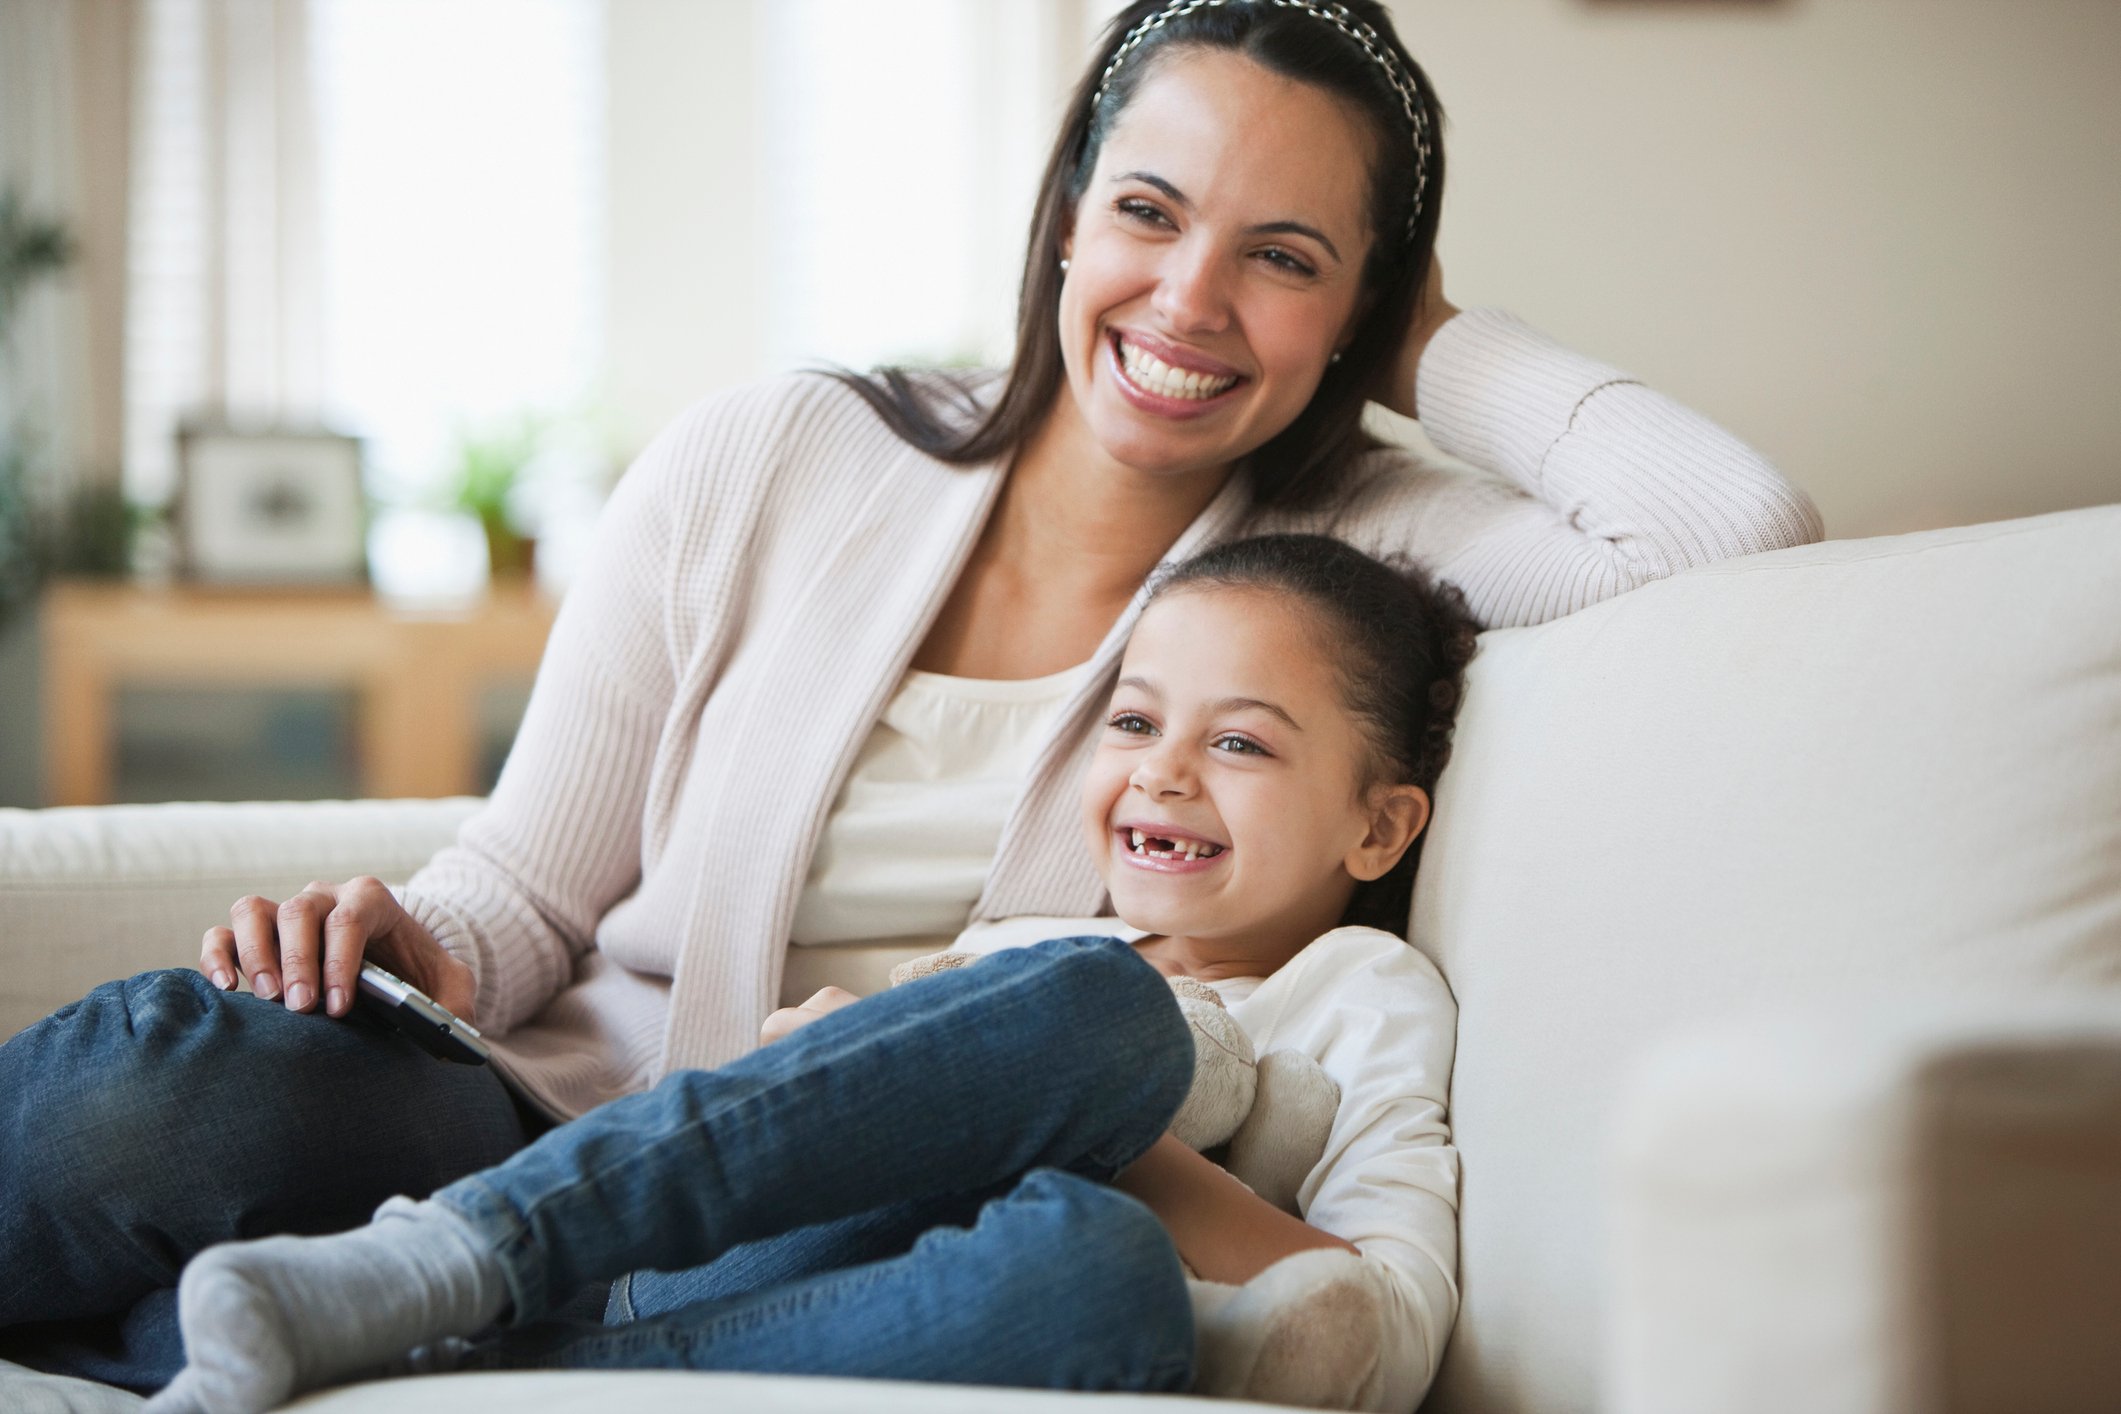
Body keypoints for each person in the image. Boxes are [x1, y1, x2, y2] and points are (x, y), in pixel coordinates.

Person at [0, 0, 1822, 1396]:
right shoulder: (778, 450)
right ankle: (367, 1302)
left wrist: (1434, 331)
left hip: (874, 1226)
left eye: (1284, 256)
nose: (1189, 300)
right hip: (547, 1123)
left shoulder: (1346, 566)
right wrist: (427, 942)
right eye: (1151, 212)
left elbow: (1728, 527)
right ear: (1064, 220)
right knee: (178, 1087)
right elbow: (528, 894)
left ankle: (321, 1338)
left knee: (1084, 1247)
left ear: (1351, 311)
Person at [147, 533, 1473, 1413]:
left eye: (1239, 742)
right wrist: (855, 1043)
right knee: (1094, 1009)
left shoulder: (1359, 987)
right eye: (1133, 719)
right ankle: (437, 1260)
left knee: (1106, 1270)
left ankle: (401, 1360)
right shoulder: (1026, 948)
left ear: (1378, 824)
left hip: (876, 1308)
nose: (1162, 768)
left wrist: (1119, 1147)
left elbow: (1388, 1314)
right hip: (672, 1240)